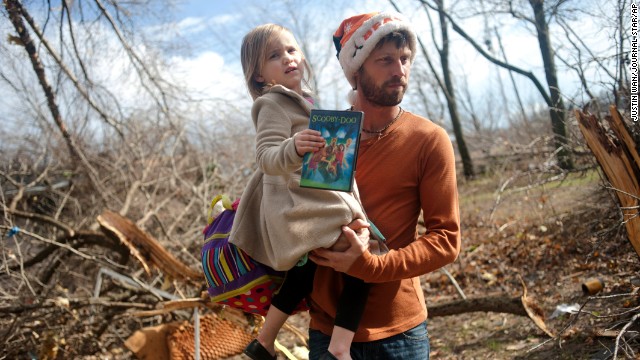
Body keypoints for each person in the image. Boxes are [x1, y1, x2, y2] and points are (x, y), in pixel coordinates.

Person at [308, 11, 461, 359]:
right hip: (326, 332)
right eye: (385, 60)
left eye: (405, 59)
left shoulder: (428, 140)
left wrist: (373, 267)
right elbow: (309, 218)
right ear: (357, 70)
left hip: (398, 335)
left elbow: (446, 241)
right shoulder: (331, 136)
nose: (400, 70)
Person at [229, 23, 374, 360]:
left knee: (304, 273)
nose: (288, 59)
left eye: (291, 51)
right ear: (259, 76)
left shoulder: (303, 102)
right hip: (296, 205)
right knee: (362, 253)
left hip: (313, 197)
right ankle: (340, 346)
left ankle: (264, 342)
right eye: (275, 56)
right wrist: (294, 147)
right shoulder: (272, 104)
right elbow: (266, 158)